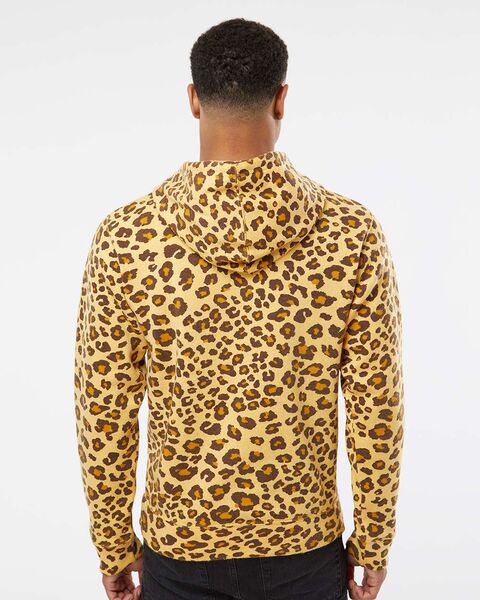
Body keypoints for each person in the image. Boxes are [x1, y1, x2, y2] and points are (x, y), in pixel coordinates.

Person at [73, 17, 404, 600]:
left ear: (193, 100)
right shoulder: (351, 235)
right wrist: (373, 544)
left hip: (180, 549)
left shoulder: (127, 238)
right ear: (281, 99)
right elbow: (377, 406)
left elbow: (103, 410)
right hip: (304, 548)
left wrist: (113, 546)